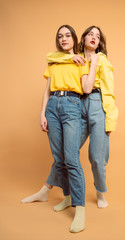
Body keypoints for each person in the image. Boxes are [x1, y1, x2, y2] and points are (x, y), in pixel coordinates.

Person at [21, 26, 118, 209]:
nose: (94, 37)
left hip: (97, 103)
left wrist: (110, 118)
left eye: (97, 36)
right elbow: (52, 57)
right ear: (83, 38)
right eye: (90, 34)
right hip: (77, 104)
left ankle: (100, 191)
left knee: (97, 157)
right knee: (68, 153)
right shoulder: (72, 56)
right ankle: (46, 189)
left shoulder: (102, 60)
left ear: (100, 42)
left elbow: (109, 91)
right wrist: (69, 57)